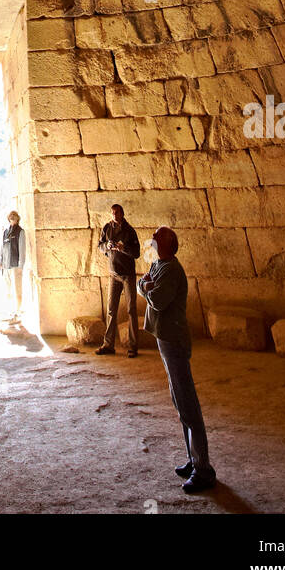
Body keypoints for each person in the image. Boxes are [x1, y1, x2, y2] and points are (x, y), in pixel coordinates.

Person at [139, 226, 216, 493]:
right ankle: (193, 459)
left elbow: (157, 300)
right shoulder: (160, 264)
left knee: (187, 402)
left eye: (157, 238)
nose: (153, 240)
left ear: (169, 244)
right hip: (165, 338)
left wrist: (146, 286)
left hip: (174, 340)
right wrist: (145, 285)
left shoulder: (171, 270)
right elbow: (143, 284)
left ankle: (204, 470)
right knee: (179, 400)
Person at [95, 202, 140, 358]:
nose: (114, 215)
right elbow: (100, 246)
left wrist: (123, 248)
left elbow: (137, 252)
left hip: (128, 274)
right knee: (111, 310)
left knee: (131, 310)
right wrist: (107, 246)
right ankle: (108, 344)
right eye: (112, 212)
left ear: (122, 214)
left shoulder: (129, 231)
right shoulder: (107, 228)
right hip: (113, 274)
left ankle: (133, 346)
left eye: (117, 212)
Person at [0, 211, 26, 321]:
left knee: (17, 289)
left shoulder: (20, 232)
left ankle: (18, 312)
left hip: (15, 264)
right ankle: (10, 311)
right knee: (8, 290)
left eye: (14, 218)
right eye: (11, 217)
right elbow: (3, 247)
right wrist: (1, 260)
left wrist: (21, 265)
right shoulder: (6, 231)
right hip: (6, 264)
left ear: (17, 219)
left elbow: (22, 249)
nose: (12, 219)